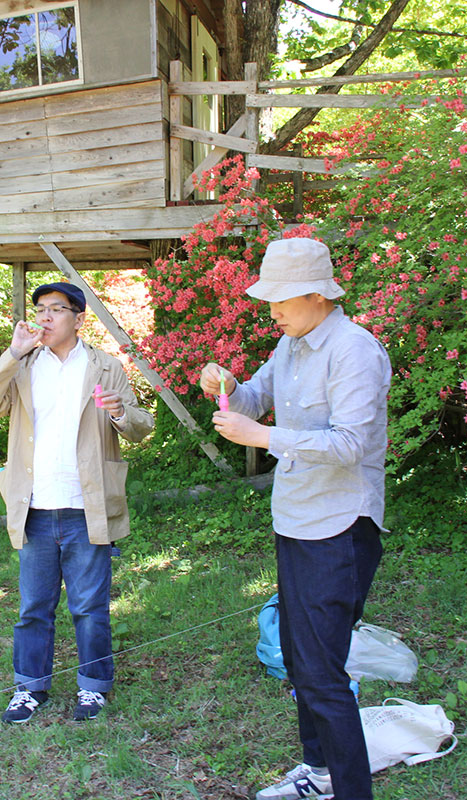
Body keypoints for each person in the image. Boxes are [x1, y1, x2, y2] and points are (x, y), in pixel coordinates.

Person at [198, 238, 391, 800]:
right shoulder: (291, 344)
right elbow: (254, 398)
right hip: (296, 521)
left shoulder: (354, 350)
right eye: (270, 300)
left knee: (322, 671)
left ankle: (350, 789)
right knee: (301, 662)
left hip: (340, 528)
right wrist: (227, 387)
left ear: (317, 295)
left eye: (281, 300)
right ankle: (320, 772)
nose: (273, 311)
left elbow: (350, 444)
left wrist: (263, 438)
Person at [0, 281, 154, 724]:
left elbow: (141, 426)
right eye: (40, 310)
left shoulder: (105, 366)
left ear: (79, 318)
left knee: (89, 608)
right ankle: (30, 689)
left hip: (87, 506)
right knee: (33, 608)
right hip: (34, 507)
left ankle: (93, 687)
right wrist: (12, 354)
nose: (44, 317)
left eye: (56, 309)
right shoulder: (24, 366)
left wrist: (119, 413)